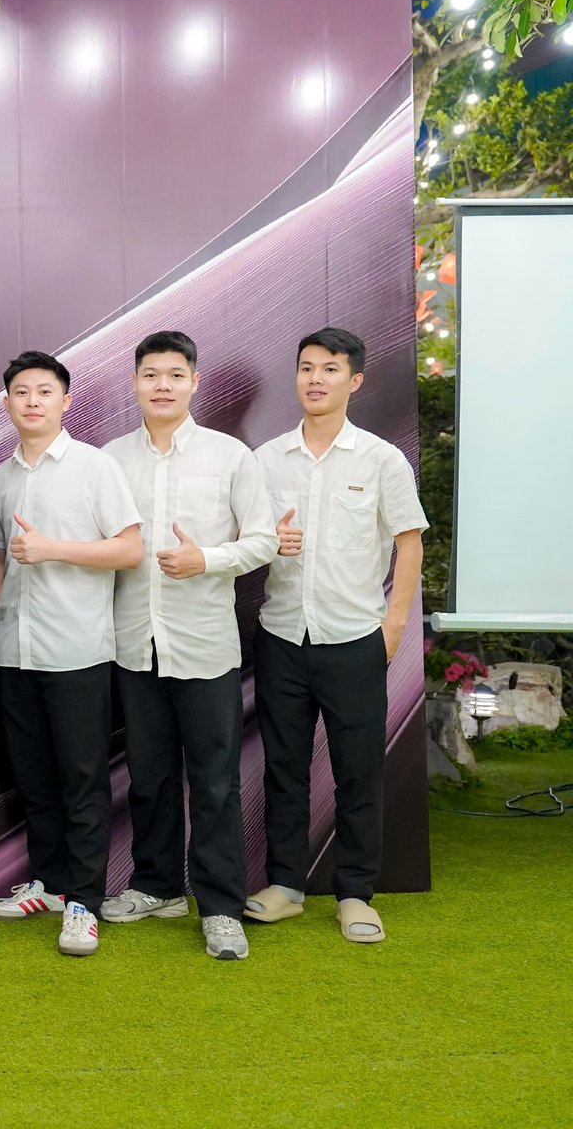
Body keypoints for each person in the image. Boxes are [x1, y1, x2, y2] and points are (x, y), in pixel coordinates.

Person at [246, 327, 426, 945]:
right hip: (282, 637)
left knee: (357, 772)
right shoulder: (266, 459)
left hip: (354, 638)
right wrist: (273, 541)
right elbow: (246, 541)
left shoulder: (380, 459)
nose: (315, 378)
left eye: (329, 368)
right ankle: (286, 886)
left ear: (356, 380)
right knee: (284, 769)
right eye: (305, 367)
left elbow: (408, 543)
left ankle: (355, 893)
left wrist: (393, 626)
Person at [100, 332, 277, 962]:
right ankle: (157, 886)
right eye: (151, 375)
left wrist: (207, 559)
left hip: (203, 645)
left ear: (195, 382)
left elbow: (263, 541)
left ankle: (221, 905)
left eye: (175, 374)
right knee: (147, 776)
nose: (163, 385)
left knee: (214, 781)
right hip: (132, 643)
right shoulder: (111, 458)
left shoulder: (232, 456)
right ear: (135, 383)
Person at [0, 350, 142, 958]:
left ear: (65, 401)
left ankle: (84, 902)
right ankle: (47, 886)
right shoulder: (2, 476)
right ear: (7, 404)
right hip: (17, 649)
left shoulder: (95, 467)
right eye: (21, 392)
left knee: (81, 780)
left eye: (44, 391)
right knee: (35, 778)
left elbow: (129, 549)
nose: (32, 401)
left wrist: (54, 550)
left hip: (77, 649)